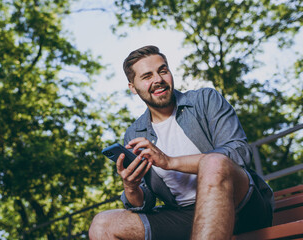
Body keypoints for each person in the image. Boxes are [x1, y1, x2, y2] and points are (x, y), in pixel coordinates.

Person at [89, 45, 274, 240]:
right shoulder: (135, 133)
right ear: (133, 87)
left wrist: (170, 162)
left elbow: (239, 153)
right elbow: (146, 201)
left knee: (214, 162)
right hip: (184, 217)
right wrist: (131, 187)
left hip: (241, 205)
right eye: (147, 76)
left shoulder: (205, 100)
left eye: (163, 71)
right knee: (102, 224)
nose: (158, 80)